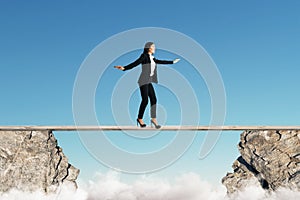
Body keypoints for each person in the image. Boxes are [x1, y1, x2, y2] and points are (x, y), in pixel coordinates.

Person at [114, 42, 180, 129]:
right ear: (149, 48)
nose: (155, 48)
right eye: (153, 47)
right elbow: (136, 63)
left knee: (154, 99)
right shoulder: (144, 56)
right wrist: (124, 68)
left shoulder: (153, 58)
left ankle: (153, 119)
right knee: (145, 100)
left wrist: (172, 62)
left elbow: (161, 61)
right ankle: (140, 118)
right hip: (143, 80)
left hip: (148, 81)